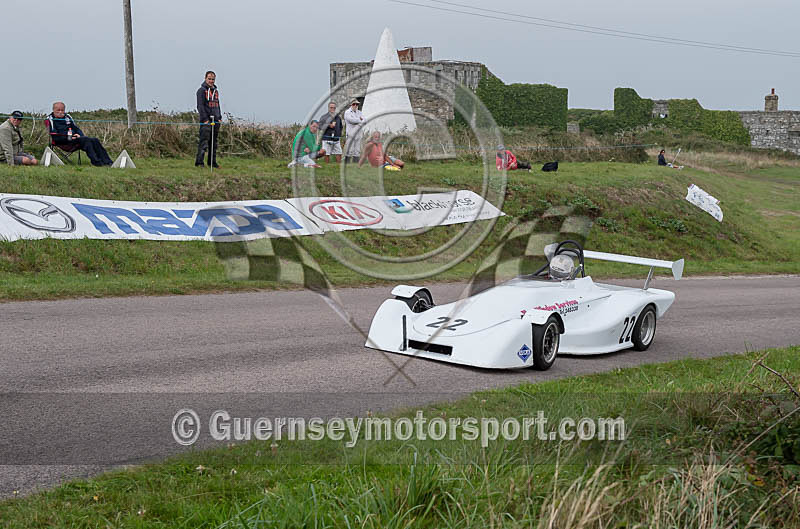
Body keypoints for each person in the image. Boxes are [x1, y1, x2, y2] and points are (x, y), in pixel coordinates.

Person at [48, 103, 113, 166]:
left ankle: (108, 162)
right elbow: (54, 135)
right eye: (58, 110)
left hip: (75, 139)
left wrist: (79, 135)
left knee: (94, 140)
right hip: (62, 141)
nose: (60, 112)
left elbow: (76, 128)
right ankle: (97, 162)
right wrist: (68, 137)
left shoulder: (67, 117)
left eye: (62, 110)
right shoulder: (51, 119)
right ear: (53, 110)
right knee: (86, 140)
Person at [195, 70, 221, 168]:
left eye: (213, 79)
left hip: (215, 121)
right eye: (209, 79)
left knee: (213, 143)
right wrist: (205, 119)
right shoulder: (201, 91)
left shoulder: (216, 91)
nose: (211, 81)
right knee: (204, 142)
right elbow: (200, 106)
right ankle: (199, 163)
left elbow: (217, 105)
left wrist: (219, 117)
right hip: (206, 122)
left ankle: (212, 162)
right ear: (205, 78)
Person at [343, 98, 365, 163]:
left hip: (358, 133)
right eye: (354, 104)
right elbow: (351, 120)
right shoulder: (347, 112)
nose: (355, 105)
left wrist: (359, 120)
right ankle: (347, 163)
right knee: (350, 150)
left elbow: (365, 120)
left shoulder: (359, 112)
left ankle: (355, 163)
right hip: (350, 133)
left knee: (357, 150)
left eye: (357, 104)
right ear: (351, 105)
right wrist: (360, 120)